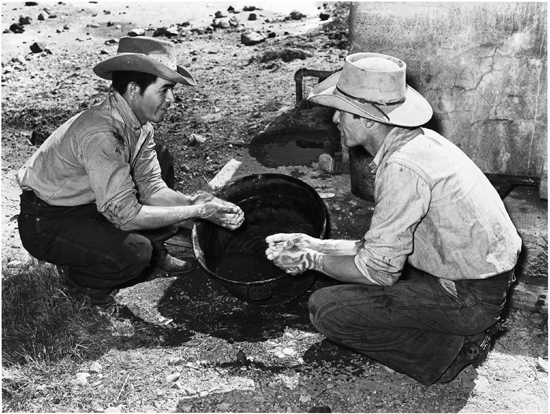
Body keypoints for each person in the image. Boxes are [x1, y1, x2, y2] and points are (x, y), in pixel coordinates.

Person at [265, 52, 521, 385]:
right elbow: (377, 246)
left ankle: (452, 352)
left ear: (368, 120)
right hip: (472, 277)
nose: (335, 121)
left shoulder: (402, 167)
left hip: (470, 297)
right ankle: (450, 330)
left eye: (342, 113)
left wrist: (310, 260)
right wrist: (312, 243)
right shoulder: (416, 141)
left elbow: (377, 271)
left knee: (326, 311)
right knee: (357, 286)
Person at [17, 37, 244, 307]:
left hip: (89, 204)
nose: (172, 99)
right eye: (166, 89)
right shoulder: (102, 134)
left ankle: (155, 252)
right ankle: (80, 277)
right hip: (48, 220)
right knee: (134, 253)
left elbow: (152, 189)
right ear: (135, 89)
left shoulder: (138, 124)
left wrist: (195, 203)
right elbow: (125, 216)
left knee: (159, 154)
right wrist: (195, 213)